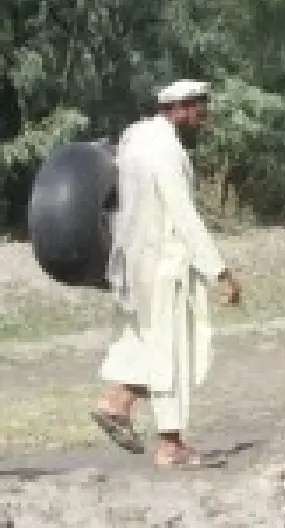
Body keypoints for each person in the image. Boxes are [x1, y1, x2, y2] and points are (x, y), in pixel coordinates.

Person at [90, 80, 245, 469]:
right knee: (172, 352)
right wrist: (219, 272)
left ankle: (119, 404)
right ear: (181, 108)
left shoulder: (135, 138)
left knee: (152, 345)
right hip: (164, 265)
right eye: (200, 111)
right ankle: (168, 443)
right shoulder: (165, 150)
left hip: (135, 262)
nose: (202, 120)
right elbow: (183, 214)